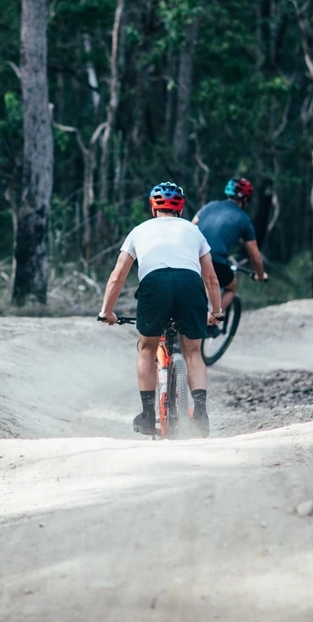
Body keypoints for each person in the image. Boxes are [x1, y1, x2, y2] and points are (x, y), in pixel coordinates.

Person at [98, 182, 223, 438]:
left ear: (153, 208)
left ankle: (147, 415)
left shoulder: (138, 231)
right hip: (190, 285)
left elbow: (117, 276)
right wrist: (216, 310)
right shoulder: (193, 231)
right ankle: (200, 412)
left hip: (154, 285)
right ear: (180, 209)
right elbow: (211, 279)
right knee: (193, 352)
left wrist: (106, 311)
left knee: (146, 348)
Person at [192, 177, 268, 331]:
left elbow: (190, 226)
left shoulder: (209, 206)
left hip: (188, 255)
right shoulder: (244, 219)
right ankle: (210, 321)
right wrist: (260, 275)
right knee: (231, 287)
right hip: (214, 261)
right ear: (246, 199)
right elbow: (255, 257)